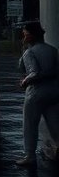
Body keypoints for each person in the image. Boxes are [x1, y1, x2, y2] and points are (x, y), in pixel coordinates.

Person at [15, 21, 59, 167]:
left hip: (36, 93)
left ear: (30, 35)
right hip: (53, 91)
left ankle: (29, 155)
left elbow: (33, 72)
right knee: (54, 123)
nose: (23, 37)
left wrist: (24, 82)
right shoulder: (52, 50)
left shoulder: (30, 52)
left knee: (29, 124)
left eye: (25, 34)